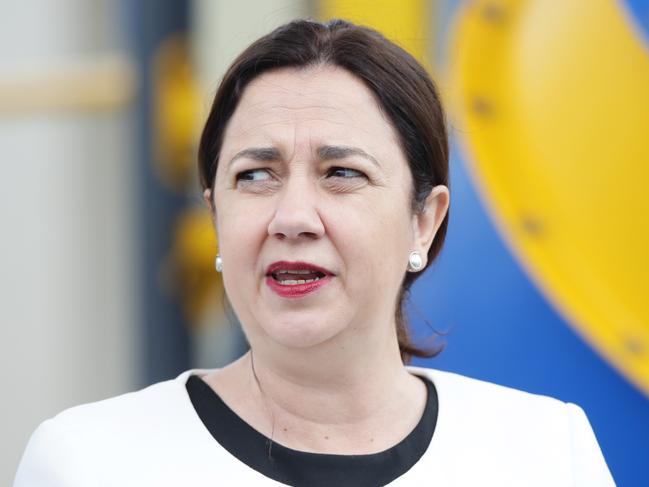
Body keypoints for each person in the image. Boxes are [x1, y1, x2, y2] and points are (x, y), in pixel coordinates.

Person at [14, 19, 615, 487]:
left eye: (342, 173)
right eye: (255, 176)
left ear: (424, 222)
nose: (293, 217)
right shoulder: (92, 461)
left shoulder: (543, 451)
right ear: (215, 213)